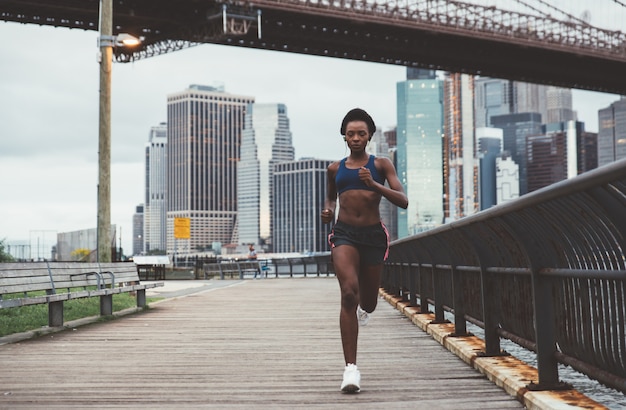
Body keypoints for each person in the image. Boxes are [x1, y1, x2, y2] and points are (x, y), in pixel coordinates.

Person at [321, 108, 408, 393]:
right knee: (348, 293)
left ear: (369, 135)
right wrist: (328, 210)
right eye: (350, 134)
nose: (356, 138)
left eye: (361, 133)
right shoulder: (335, 168)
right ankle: (351, 370)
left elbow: (403, 200)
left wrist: (374, 185)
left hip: (373, 237)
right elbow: (332, 198)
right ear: (344, 137)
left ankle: (364, 309)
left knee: (368, 303)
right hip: (344, 234)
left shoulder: (382, 165)